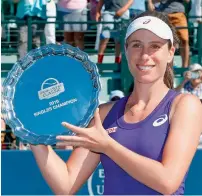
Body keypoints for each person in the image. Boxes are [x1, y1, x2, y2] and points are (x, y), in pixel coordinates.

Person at [30, 11, 202, 195]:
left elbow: (168, 182)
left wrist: (108, 146)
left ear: (170, 53)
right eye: (137, 45)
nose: (145, 55)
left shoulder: (185, 105)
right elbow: (66, 185)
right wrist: (31, 133)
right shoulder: (103, 113)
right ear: (126, 51)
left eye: (155, 46)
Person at [148, 0, 190, 68]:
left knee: (184, 40)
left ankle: (184, 68)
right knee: (165, 42)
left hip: (179, 14)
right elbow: (153, 1)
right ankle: (168, 68)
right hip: (163, 15)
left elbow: (187, 1)